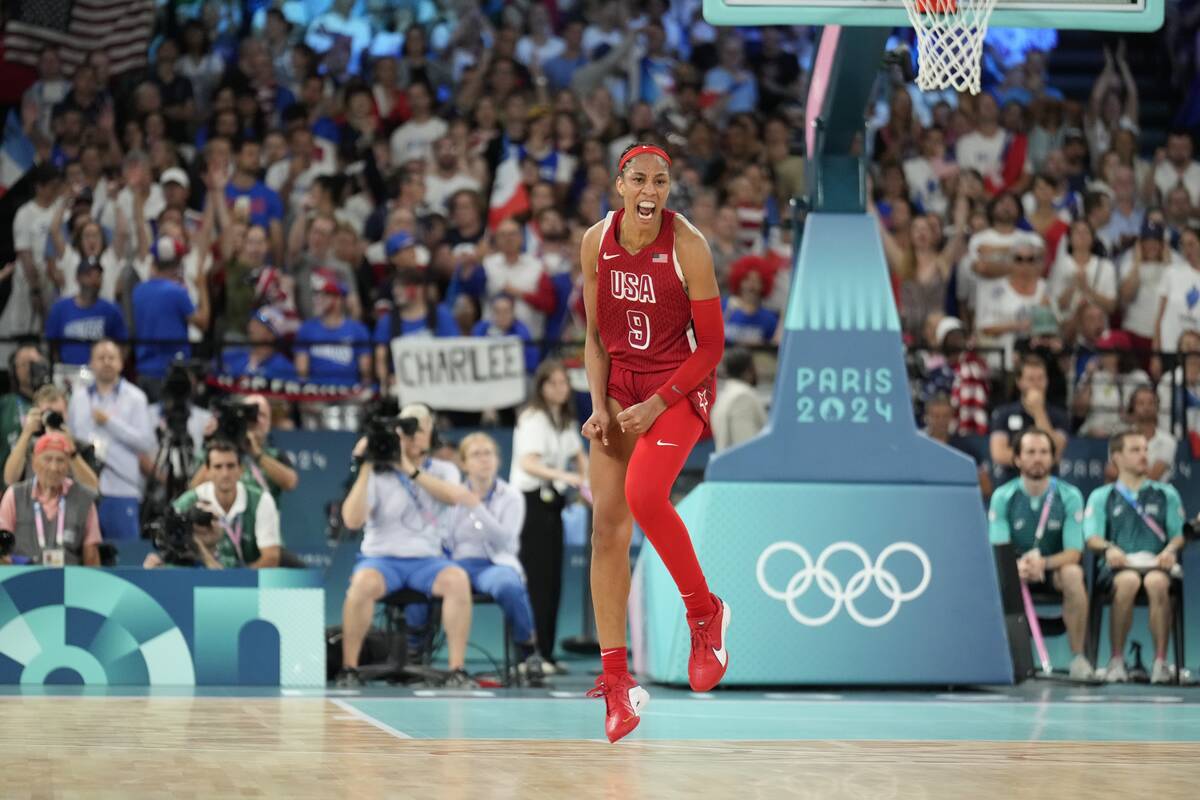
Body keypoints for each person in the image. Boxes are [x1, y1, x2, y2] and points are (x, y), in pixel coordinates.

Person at [579, 143, 728, 743]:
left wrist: (658, 403)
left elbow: (712, 348)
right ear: (619, 185)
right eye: (639, 179)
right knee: (605, 529)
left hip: (677, 388)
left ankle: (704, 611)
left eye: (660, 182)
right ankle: (617, 685)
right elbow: (593, 338)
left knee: (645, 495)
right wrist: (597, 406)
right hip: (618, 391)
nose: (650, 190)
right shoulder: (597, 242)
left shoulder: (687, 244)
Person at [336, 403, 477, 688]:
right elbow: (352, 520)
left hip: (427, 561)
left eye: (419, 429)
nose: (413, 437)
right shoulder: (377, 472)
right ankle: (349, 668)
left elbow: (452, 497)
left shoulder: (444, 469)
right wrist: (365, 465)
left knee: (458, 580)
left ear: (430, 434)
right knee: (360, 585)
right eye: (406, 430)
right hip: (381, 560)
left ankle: (456, 670)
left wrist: (407, 468)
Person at [988, 428, 1092, 679]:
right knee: (993, 576)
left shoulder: (1069, 496)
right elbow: (998, 549)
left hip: (1052, 570)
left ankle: (1078, 658)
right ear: (1017, 459)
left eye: (1044, 452)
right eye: (1031, 452)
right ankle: (1000, 659)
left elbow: (1073, 552)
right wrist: (1017, 566)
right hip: (1015, 572)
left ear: (1053, 458)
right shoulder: (1003, 496)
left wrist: (1043, 563)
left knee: (1073, 574)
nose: (1038, 458)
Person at [1084, 431, 1186, 684]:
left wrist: (1169, 551)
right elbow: (1091, 537)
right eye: (1135, 450)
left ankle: (1160, 664)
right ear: (1117, 457)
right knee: (1128, 582)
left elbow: (1179, 534)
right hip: (1119, 568)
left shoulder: (1166, 493)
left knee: (1157, 583)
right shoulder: (1102, 496)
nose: (1144, 455)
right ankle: (1116, 661)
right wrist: (1109, 549)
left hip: (1157, 565)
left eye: (1145, 449)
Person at [445, 432, 544, 683]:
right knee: (429, 580)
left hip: (495, 564)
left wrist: (475, 507)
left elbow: (505, 541)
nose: (483, 460)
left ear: (497, 460)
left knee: (509, 586)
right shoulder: (450, 495)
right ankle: (416, 652)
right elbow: (444, 538)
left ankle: (528, 652)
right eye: (476, 455)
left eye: (488, 453)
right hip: (458, 565)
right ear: (464, 463)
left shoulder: (512, 496)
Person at [510, 359, 587, 670]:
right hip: (530, 504)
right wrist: (567, 477)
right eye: (553, 383)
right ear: (541, 387)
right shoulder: (533, 418)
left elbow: (580, 457)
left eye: (564, 383)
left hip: (552, 504)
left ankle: (546, 652)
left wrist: (590, 483)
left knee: (553, 581)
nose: (560, 389)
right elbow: (529, 463)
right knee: (535, 581)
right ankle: (528, 654)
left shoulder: (564, 420)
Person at [67, 339, 156, 540]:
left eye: (111, 357)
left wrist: (110, 423)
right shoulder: (78, 398)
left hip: (121, 489)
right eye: (101, 357)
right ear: (91, 363)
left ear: (121, 363)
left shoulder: (136, 397)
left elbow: (146, 442)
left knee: (124, 561)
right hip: (83, 490)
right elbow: (71, 440)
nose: (106, 362)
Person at [150, 439, 282, 569]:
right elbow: (166, 545)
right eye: (218, 467)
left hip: (249, 580)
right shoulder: (188, 502)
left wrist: (237, 581)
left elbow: (270, 558)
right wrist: (197, 543)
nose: (225, 474)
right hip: (204, 573)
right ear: (207, 470)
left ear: (240, 469)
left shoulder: (261, 500)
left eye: (230, 466)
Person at [0, 432, 101, 566]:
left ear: (68, 465)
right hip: (23, 579)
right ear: (34, 462)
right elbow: (1, 549)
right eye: (48, 459)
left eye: (60, 460)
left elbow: (91, 555)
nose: (54, 468)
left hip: (70, 581)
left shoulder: (84, 499)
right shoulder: (14, 495)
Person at [190, 395, 298, 503]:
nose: (257, 420)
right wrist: (217, 446)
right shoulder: (212, 453)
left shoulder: (274, 455)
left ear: (269, 423)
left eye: (262, 415)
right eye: (251, 414)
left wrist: (258, 455)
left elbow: (291, 483)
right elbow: (192, 490)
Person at [989, 355, 1070, 485]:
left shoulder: (1059, 416)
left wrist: (1038, 411)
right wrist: (1036, 459)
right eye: (1031, 379)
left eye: (1040, 378)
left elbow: (1055, 452)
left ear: (1047, 381)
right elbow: (999, 453)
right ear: (1019, 382)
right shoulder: (1003, 413)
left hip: (1048, 487)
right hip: (1011, 485)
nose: (1036, 384)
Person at [4, 384, 98, 491]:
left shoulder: (82, 448)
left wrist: (72, 452)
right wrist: (26, 433)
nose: (53, 419)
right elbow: (10, 479)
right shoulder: (28, 446)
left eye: (58, 414)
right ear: (38, 415)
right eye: (47, 414)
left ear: (67, 414)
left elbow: (92, 488)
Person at [44, 258, 127, 367]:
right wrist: (59, 368)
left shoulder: (111, 310)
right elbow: (51, 344)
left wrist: (112, 368)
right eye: (89, 275)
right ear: (78, 278)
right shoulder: (60, 308)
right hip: (68, 373)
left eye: (98, 276)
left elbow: (123, 345)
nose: (94, 280)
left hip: (99, 375)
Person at [0, 344, 51, 491]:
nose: (30, 368)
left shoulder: (57, 400)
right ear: (14, 371)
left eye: (34, 362)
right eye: (24, 364)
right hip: (8, 488)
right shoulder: (5, 404)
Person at [710, 346, 768, 451]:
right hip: (740, 466)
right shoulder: (743, 397)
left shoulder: (724, 395)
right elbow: (744, 447)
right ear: (748, 370)